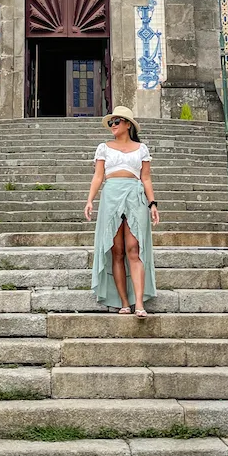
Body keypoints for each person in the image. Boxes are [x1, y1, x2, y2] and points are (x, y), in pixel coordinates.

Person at [84, 105, 159, 317]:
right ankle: (124, 302)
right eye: (111, 123)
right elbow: (98, 176)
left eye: (116, 122)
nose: (113, 126)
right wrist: (90, 200)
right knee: (116, 250)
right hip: (111, 195)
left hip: (135, 195)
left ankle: (140, 304)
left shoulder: (141, 148)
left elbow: (146, 178)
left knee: (134, 248)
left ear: (127, 124)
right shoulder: (104, 148)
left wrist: (153, 203)